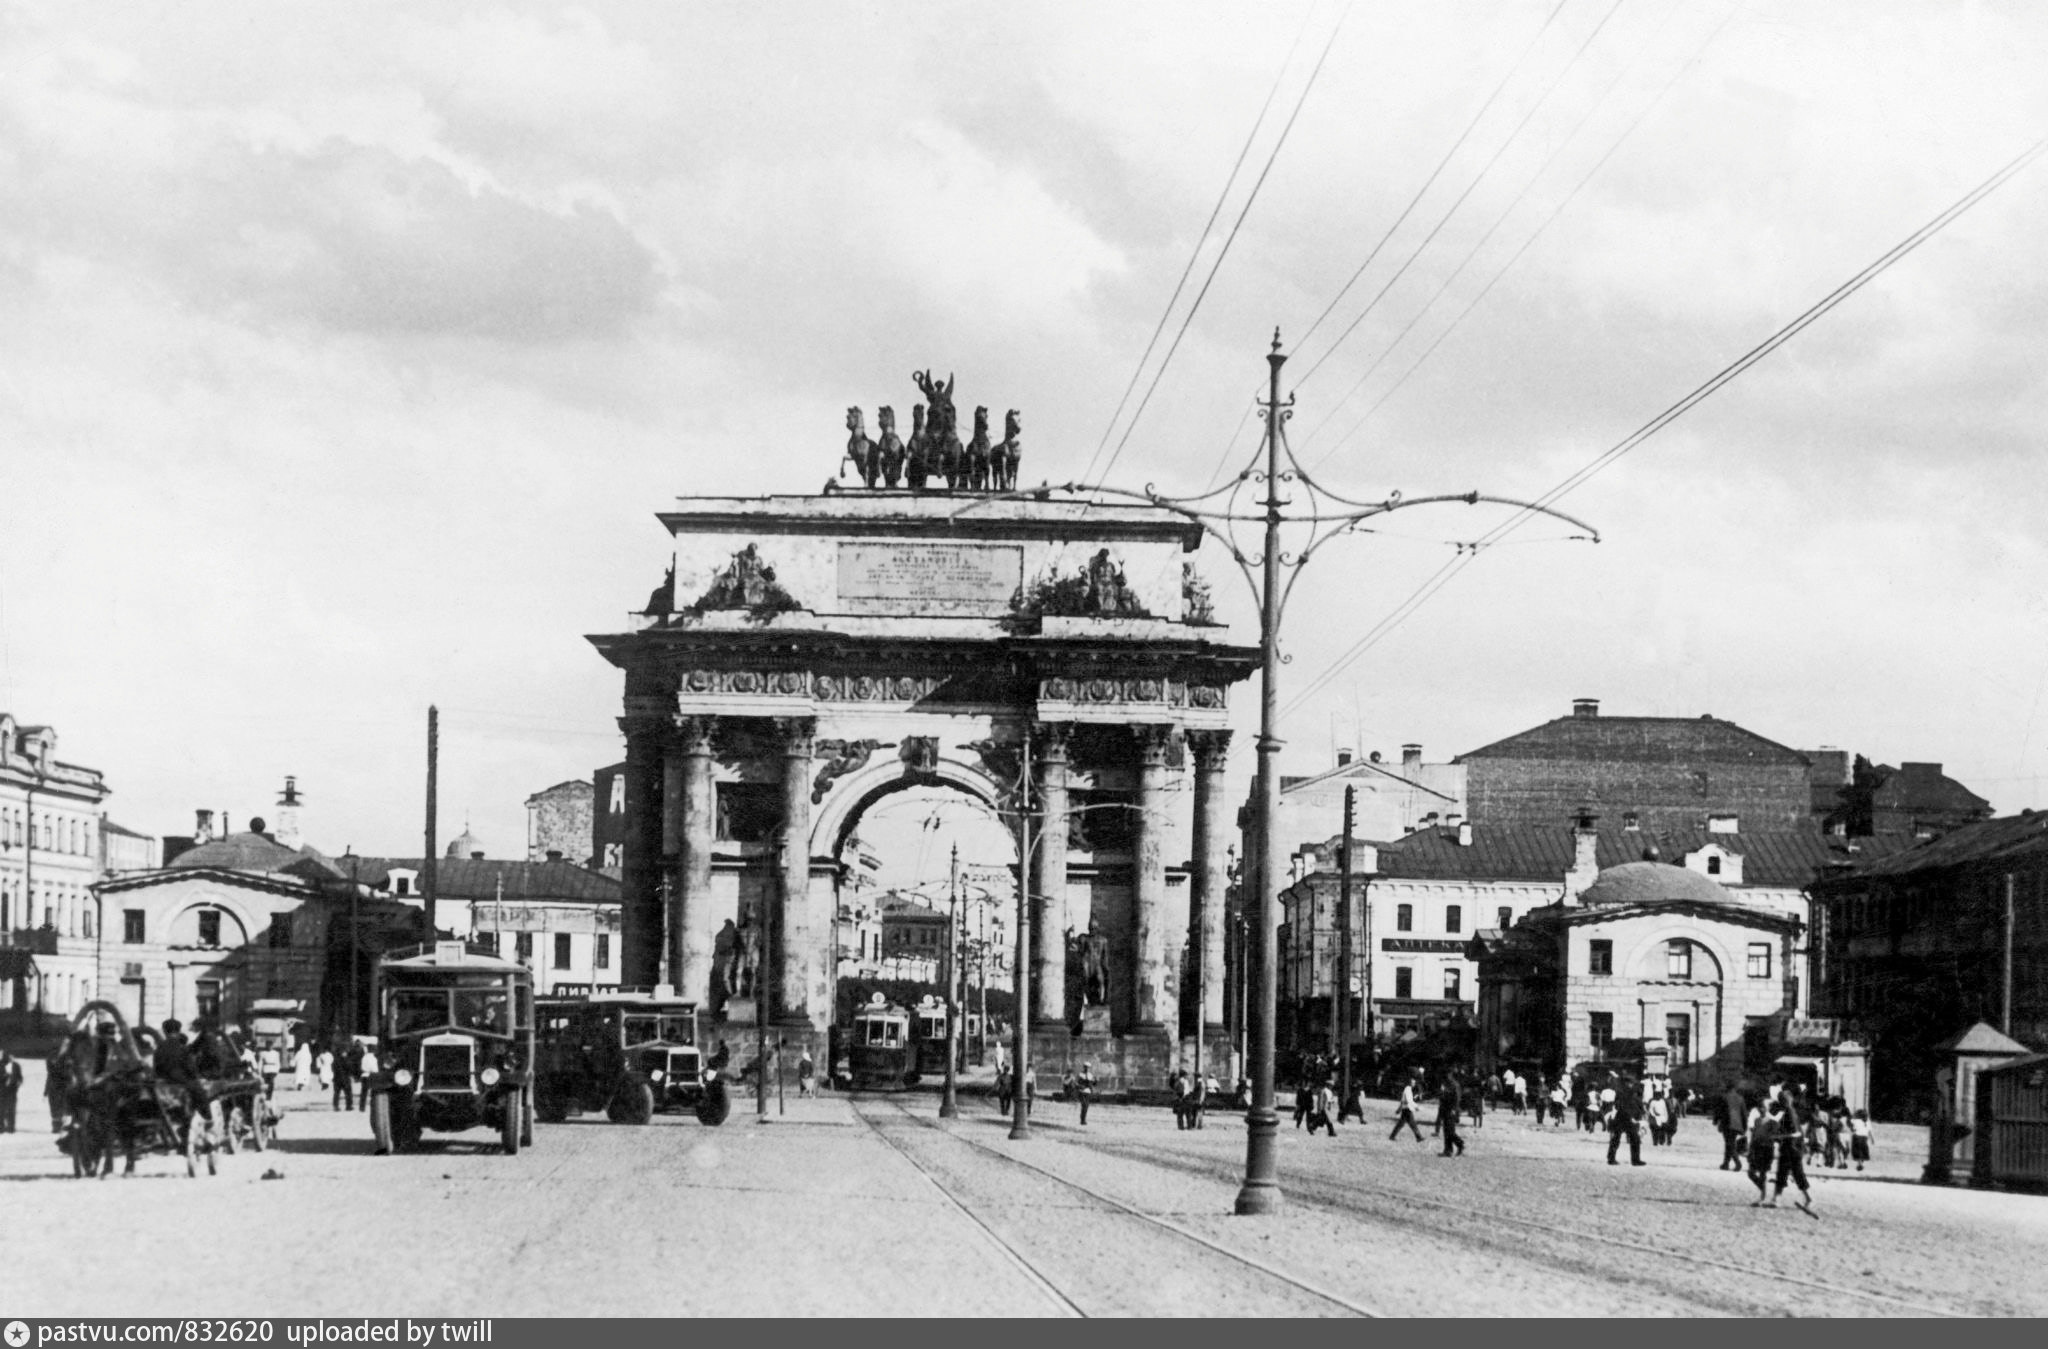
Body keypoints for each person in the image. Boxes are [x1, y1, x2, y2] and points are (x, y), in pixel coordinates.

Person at [1765, 1086, 1814, 1211]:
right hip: (1791, 1147)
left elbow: (1795, 1133)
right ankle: (1777, 1198)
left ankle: (1806, 1199)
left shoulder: (1789, 1112)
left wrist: (1778, 1136)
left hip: (1792, 1147)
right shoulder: (1789, 1112)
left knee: (1792, 1173)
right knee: (1786, 1172)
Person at [1607, 1079, 1645, 1166]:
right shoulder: (1622, 1093)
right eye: (1629, 1083)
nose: (1630, 1085)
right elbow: (1620, 1106)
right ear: (1626, 1083)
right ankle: (1612, 1158)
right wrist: (1631, 1117)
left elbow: (1637, 1106)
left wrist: (1638, 1116)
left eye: (1631, 1083)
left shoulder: (1632, 1093)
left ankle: (1635, 1160)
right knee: (1618, 1139)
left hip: (1627, 1119)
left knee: (1633, 1139)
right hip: (1622, 1118)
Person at [1719, 1084, 1749, 1170]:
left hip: (1727, 1123)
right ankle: (1726, 1163)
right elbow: (1744, 1113)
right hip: (1737, 1124)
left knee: (1730, 1144)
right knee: (1730, 1143)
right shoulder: (1740, 1098)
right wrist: (1745, 1126)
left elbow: (1720, 1111)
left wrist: (1716, 1120)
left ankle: (1737, 1162)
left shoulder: (1724, 1097)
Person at [1390, 1073, 1424, 1142]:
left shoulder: (1407, 1089)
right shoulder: (1408, 1090)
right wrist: (1417, 1107)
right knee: (1412, 1124)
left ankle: (1392, 1136)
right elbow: (1409, 1101)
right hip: (1407, 1109)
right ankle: (1419, 1137)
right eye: (1413, 1082)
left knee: (1402, 1124)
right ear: (1410, 1083)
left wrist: (1399, 1109)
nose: (1414, 1083)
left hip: (1405, 1109)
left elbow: (1402, 1100)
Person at [1436, 1074, 1465, 1156]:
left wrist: (1454, 1109)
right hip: (1445, 1109)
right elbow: (1441, 1097)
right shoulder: (1445, 1085)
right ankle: (1448, 1150)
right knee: (1446, 1131)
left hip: (1451, 1110)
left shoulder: (1455, 1085)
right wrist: (1442, 1091)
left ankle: (1460, 1144)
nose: (1446, 1078)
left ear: (1451, 1076)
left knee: (1450, 1131)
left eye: (1448, 1076)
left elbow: (1457, 1098)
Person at [334, 1038, 360, 1112]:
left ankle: (336, 1106)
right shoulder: (346, 1060)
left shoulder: (336, 1059)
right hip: (345, 1079)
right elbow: (349, 1068)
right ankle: (348, 1106)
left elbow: (334, 1068)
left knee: (337, 1093)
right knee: (348, 1093)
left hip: (337, 1079)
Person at [0, 1047, 22, 1133]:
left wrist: (19, 1081)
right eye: (10, 1056)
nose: (12, 1057)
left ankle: (11, 1128)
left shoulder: (16, 1065)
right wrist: (6, 1076)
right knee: (1, 1110)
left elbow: (20, 1076)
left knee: (11, 1110)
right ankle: (1, 1127)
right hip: (1, 1091)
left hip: (12, 1091)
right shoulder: (1, 1065)